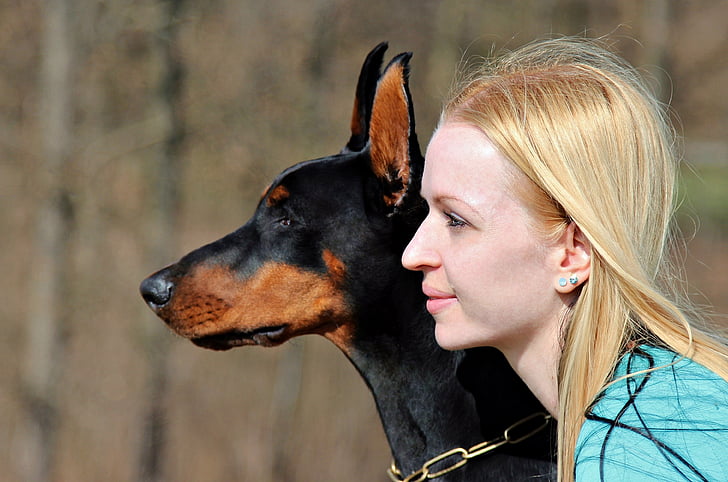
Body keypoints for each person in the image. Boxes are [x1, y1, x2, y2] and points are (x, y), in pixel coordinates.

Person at [401, 37, 728, 481]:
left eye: (456, 220)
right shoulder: (667, 405)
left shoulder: (634, 453)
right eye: (427, 212)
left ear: (574, 254)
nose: (412, 254)